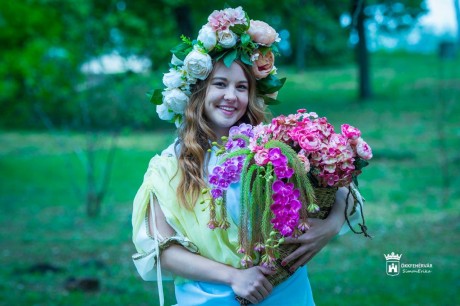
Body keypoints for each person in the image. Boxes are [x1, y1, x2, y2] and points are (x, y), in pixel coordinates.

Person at [132, 6, 364, 306]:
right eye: (219, 84)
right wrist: (235, 277)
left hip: (285, 293)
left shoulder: (275, 145)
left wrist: (329, 228)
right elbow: (161, 250)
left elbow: (339, 184)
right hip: (211, 298)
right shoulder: (167, 168)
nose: (231, 96)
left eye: (241, 87)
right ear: (198, 93)